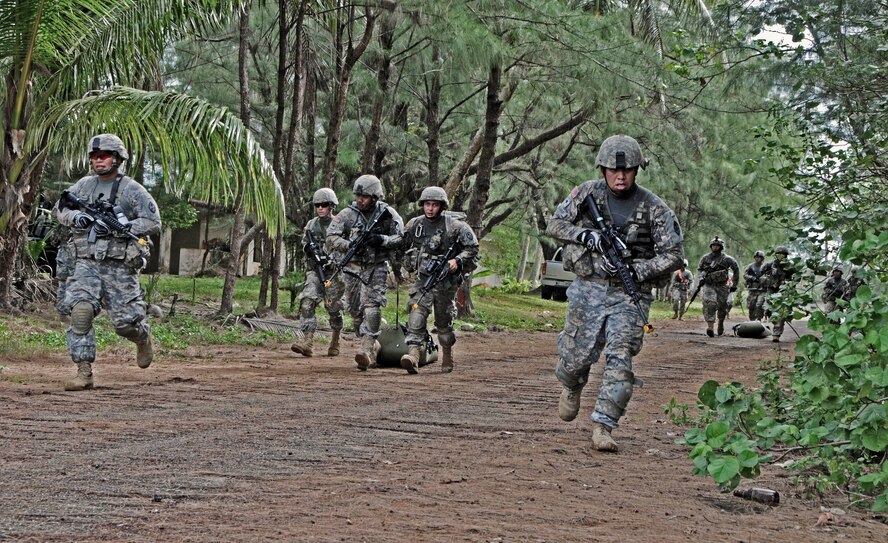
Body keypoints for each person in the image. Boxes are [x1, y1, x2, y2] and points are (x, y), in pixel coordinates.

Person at [547, 134, 683, 452]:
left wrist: (639, 270)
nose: (619, 176)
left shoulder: (654, 208)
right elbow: (555, 224)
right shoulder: (586, 193)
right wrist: (586, 235)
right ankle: (571, 385)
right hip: (588, 287)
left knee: (620, 359)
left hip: (628, 293)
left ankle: (604, 426)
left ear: (637, 170)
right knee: (574, 358)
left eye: (626, 170)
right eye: (612, 170)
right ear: (603, 169)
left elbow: (674, 254)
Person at [52, 134, 161, 391]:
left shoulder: (132, 189)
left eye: (104, 156)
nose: (98, 161)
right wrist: (76, 217)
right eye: (94, 156)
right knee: (80, 313)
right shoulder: (84, 186)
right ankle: (84, 371)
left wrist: (122, 227)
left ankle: (142, 337)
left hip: (118, 265)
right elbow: (60, 209)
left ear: (117, 158)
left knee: (126, 324)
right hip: (86, 262)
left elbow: (153, 221)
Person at [326, 174, 404, 370]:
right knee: (354, 311)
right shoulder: (347, 214)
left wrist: (381, 240)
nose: (360, 199)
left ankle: (367, 348)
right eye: (358, 195)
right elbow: (331, 237)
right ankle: (373, 345)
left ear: (375, 196)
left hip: (376, 267)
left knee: (371, 307)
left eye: (365, 196)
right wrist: (349, 244)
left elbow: (401, 237)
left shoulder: (388, 213)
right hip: (352, 268)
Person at [398, 186, 479, 374]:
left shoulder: (455, 226)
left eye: (434, 205)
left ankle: (447, 355)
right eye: (427, 204)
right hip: (423, 281)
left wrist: (457, 260)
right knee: (416, 315)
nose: (430, 208)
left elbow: (473, 247)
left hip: (445, 284)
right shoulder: (415, 224)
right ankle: (414, 356)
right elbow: (400, 243)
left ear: (442, 206)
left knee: (443, 323)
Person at [290, 188, 346, 358]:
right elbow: (305, 243)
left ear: (331, 206)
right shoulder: (311, 225)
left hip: (334, 273)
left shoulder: (340, 224)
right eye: (317, 205)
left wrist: (333, 259)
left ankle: (335, 340)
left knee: (333, 307)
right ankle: (307, 342)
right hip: (315, 271)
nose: (320, 208)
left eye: (324, 205)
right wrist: (310, 250)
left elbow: (347, 246)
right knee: (307, 302)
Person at [696, 237, 740, 337]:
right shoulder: (705, 258)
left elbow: (736, 270)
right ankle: (710, 326)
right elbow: (699, 269)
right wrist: (701, 277)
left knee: (722, 306)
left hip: (722, 286)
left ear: (721, 247)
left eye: (717, 245)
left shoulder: (727, 259)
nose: (715, 247)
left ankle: (721, 322)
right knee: (709, 303)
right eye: (713, 245)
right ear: (711, 246)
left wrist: (734, 285)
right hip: (709, 285)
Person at [761, 245, 794, 342]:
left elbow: (797, 276)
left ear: (786, 255)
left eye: (783, 254)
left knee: (781, 312)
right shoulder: (770, 264)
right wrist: (764, 279)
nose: (780, 256)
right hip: (771, 290)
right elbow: (761, 273)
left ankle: (776, 333)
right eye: (779, 254)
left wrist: (791, 284)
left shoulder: (789, 266)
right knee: (768, 310)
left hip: (783, 291)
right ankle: (774, 324)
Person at [744, 250, 767, 321]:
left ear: (762, 258)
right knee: (751, 306)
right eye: (756, 257)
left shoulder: (766, 266)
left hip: (762, 290)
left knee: (759, 304)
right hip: (752, 289)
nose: (757, 258)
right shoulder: (750, 266)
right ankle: (752, 320)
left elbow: (770, 276)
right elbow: (745, 275)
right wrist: (752, 278)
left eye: (759, 257)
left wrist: (763, 279)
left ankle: (759, 319)